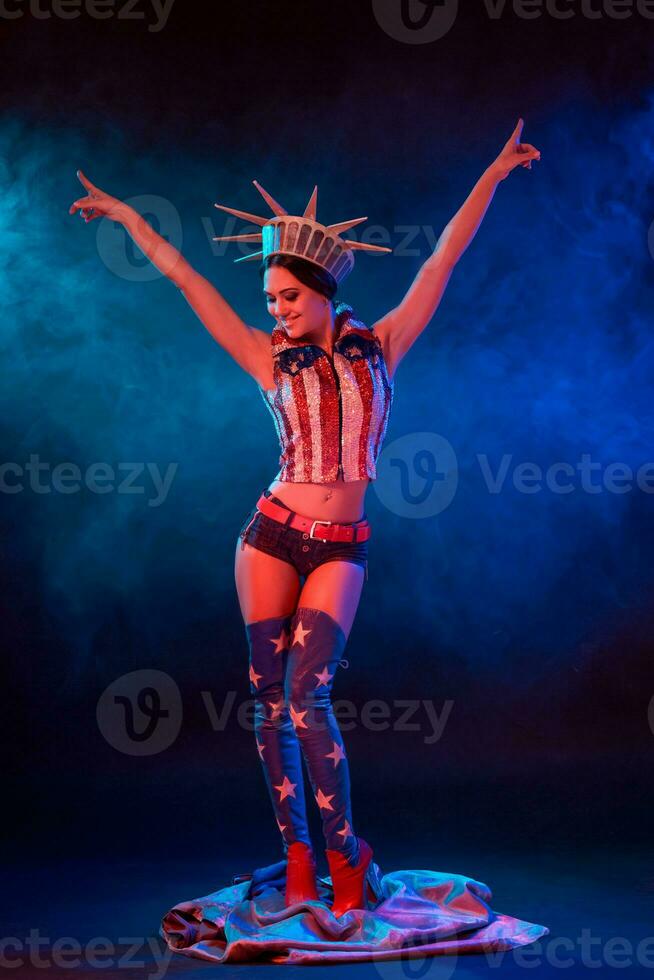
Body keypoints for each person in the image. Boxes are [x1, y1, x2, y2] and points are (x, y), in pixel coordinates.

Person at [69, 119, 541, 917]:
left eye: (288, 297)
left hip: (340, 547)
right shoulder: (265, 356)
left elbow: (442, 259)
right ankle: (297, 861)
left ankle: (347, 859)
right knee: (270, 702)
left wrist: (490, 177)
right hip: (271, 536)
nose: (278, 311)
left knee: (307, 698)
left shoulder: (383, 344)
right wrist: (129, 218)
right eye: (270, 300)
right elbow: (190, 282)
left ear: (323, 291)